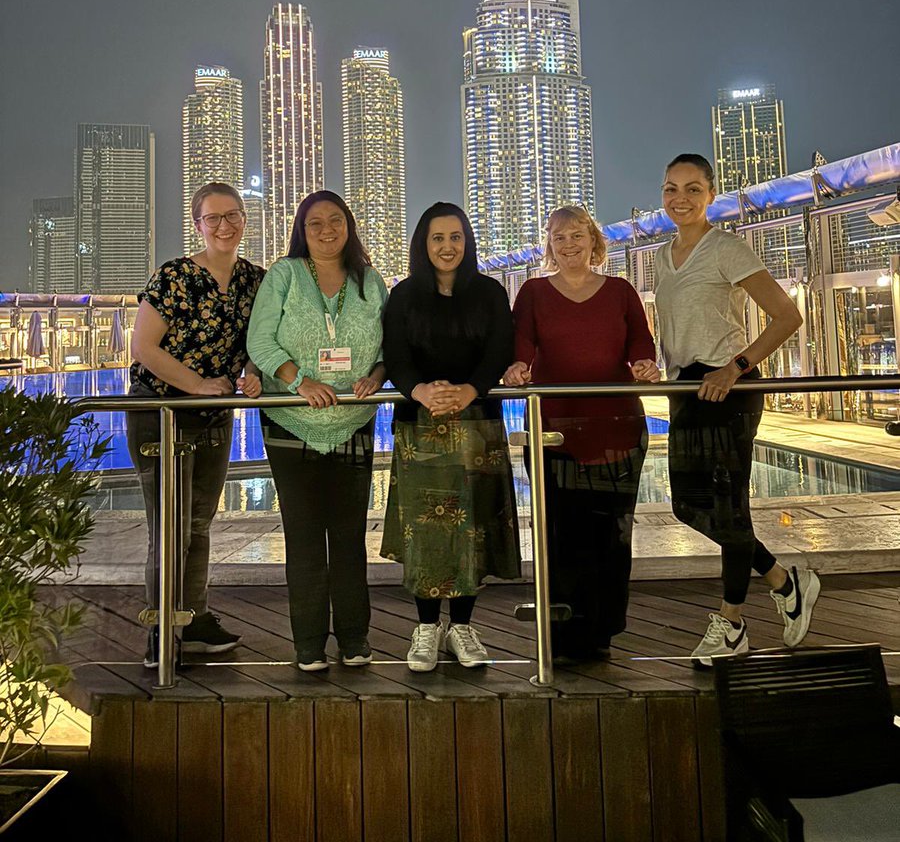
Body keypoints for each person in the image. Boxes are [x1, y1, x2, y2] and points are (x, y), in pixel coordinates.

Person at [655, 153, 816, 667]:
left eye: (693, 189)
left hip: (728, 390)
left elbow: (787, 315)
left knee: (728, 508)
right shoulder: (661, 256)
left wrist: (736, 367)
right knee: (686, 504)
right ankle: (784, 581)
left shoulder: (725, 247)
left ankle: (732, 623)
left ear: (711, 195)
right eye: (672, 189)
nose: (681, 198)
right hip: (685, 391)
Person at [503, 205, 661, 661]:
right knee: (560, 535)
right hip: (553, 431)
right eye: (559, 238)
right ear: (548, 246)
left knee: (611, 535)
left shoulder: (620, 291)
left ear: (594, 240)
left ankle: (602, 630)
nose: (569, 245)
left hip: (617, 431)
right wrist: (516, 368)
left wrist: (644, 365)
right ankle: (562, 633)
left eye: (577, 235)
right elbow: (522, 346)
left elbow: (640, 343)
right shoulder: (532, 292)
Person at [247, 191, 387, 671]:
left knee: (348, 536)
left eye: (335, 221)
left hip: (353, 420)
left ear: (349, 226)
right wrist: (296, 379)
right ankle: (308, 643)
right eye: (314, 224)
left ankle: (354, 639)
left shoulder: (370, 280)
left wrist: (378, 375)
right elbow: (259, 339)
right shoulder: (284, 275)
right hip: (291, 421)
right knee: (304, 536)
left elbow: (390, 344)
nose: (326, 230)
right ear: (301, 231)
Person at [128, 182, 264, 667]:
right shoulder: (175, 277)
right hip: (160, 414)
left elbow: (263, 342)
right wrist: (198, 384)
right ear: (198, 224)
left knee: (199, 523)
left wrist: (252, 374)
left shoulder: (256, 280)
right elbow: (143, 347)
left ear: (245, 219)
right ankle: (162, 628)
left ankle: (196, 617)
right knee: (169, 527)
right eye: (214, 218)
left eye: (234, 215)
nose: (225, 226)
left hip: (213, 416)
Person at [381, 203, 521, 672]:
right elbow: (395, 355)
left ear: (468, 242)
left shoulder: (488, 292)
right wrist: (421, 390)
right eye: (438, 238)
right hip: (420, 423)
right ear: (424, 244)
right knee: (426, 533)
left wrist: (467, 390)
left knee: (472, 529)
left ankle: (461, 625)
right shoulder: (403, 296)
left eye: (456, 237)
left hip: (477, 421)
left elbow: (500, 348)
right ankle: (426, 627)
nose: (447, 247)